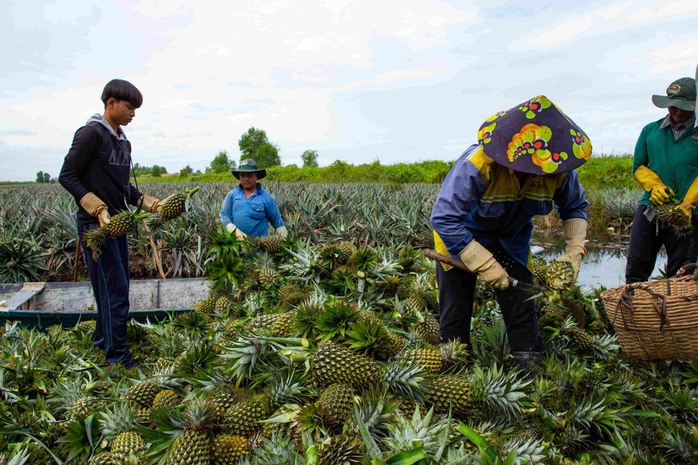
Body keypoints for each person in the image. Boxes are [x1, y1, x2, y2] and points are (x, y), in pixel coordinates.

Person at [430, 95, 591, 374]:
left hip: (511, 240)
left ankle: (531, 369)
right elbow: (444, 218)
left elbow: (575, 206)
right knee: (456, 309)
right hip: (459, 236)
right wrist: (483, 262)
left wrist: (574, 252)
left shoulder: (558, 169)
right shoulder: (478, 164)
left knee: (521, 304)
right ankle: (454, 367)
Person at [58, 79, 163, 369]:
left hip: (118, 224)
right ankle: (118, 358)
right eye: (130, 107)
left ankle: (103, 341)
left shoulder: (122, 141)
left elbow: (125, 189)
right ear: (111, 103)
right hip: (96, 227)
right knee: (114, 290)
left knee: (116, 287)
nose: (133, 114)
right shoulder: (91, 134)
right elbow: (67, 175)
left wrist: (152, 203)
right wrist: (96, 206)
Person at [625, 76, 698, 284]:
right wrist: (654, 186)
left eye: (682, 107)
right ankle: (635, 313)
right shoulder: (651, 131)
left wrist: (688, 203)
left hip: (689, 214)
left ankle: (676, 314)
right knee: (636, 267)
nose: (675, 111)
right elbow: (638, 166)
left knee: (681, 274)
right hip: (651, 209)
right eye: (672, 106)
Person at [220, 159, 287, 239]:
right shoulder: (232, 195)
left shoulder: (267, 198)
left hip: (259, 248)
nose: (246, 179)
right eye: (243, 175)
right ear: (239, 177)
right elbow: (224, 215)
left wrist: (283, 237)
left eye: (249, 175)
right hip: (236, 245)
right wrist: (232, 229)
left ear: (256, 176)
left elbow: (277, 223)